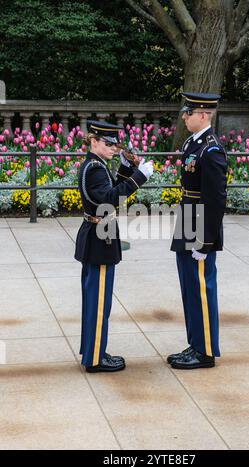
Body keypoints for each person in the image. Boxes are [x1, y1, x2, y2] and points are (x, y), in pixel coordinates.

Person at [75, 120, 153, 373]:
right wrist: (140, 177)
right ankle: (96, 358)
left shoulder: (96, 165)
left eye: (114, 144)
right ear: (93, 141)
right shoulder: (95, 168)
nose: (112, 147)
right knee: (99, 302)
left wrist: (125, 169)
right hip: (100, 237)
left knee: (95, 300)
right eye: (107, 143)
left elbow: (107, 190)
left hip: (98, 233)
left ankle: (92, 351)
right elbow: (109, 199)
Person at [169, 92, 227, 369]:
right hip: (188, 219)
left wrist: (205, 241)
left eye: (188, 112)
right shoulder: (194, 144)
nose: (184, 116)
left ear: (203, 115)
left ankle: (205, 352)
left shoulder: (211, 149)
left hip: (200, 225)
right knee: (190, 288)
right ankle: (195, 344)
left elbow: (215, 200)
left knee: (202, 288)